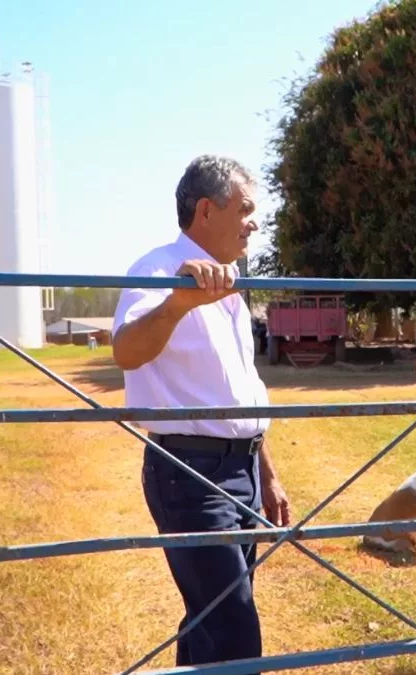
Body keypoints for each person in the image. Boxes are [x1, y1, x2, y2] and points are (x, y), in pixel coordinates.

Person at [112, 155, 291, 669]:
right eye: (247, 209)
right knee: (233, 629)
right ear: (207, 211)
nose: (254, 222)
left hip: (241, 470)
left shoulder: (231, 283)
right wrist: (176, 303)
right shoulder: (158, 270)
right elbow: (126, 352)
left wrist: (266, 471)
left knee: (209, 619)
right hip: (188, 473)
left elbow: (238, 392)